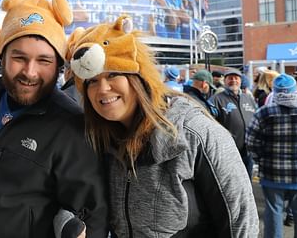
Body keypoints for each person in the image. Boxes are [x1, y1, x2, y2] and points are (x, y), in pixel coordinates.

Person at [67, 15, 259, 236]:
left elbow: (241, 223)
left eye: (113, 74)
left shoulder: (194, 132)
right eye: (91, 81)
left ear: (139, 77)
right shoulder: (102, 140)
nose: (102, 89)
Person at [0, 0, 108, 237]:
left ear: (59, 65)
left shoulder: (71, 127)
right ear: (1, 56)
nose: (30, 72)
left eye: (44, 60)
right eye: (19, 58)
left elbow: (92, 218)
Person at [246, 74, 297, 238]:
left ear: (276, 91)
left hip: (272, 173)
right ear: (295, 90)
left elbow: (251, 142)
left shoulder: (264, 112)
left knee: (273, 213)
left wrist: (261, 160)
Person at [209, 69, 257, 178]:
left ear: (241, 81)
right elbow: (210, 123)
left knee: (247, 179)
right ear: (225, 81)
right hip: (228, 150)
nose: (233, 80)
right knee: (231, 180)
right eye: (230, 78)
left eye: (236, 78)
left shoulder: (248, 98)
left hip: (248, 150)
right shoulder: (216, 99)